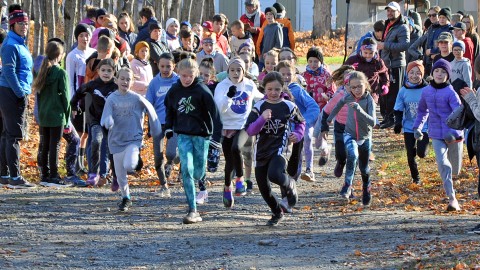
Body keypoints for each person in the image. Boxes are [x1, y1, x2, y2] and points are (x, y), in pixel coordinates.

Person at [164, 58, 222, 224]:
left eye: (190, 75)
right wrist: (169, 126)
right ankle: (192, 210)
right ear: (178, 73)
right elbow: (169, 108)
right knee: (187, 171)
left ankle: (200, 177)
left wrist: (216, 138)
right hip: (183, 134)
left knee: (198, 172)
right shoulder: (175, 90)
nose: (187, 79)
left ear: (196, 74)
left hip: (201, 135)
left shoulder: (202, 90)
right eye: (183, 75)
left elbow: (215, 115)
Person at [245, 71, 305, 226]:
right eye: (270, 89)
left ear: (282, 89)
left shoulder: (288, 106)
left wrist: (297, 134)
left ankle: (290, 184)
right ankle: (277, 212)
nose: (273, 93)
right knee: (264, 189)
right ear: (264, 88)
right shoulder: (259, 107)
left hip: (280, 150)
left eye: (277, 89)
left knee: (274, 174)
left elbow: (301, 122)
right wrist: (262, 118)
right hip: (260, 152)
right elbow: (250, 130)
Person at [101, 67, 161, 211]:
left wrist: (155, 128)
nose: (125, 81)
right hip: (116, 140)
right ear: (116, 80)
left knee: (129, 165)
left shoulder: (136, 98)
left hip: (133, 138)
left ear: (132, 82)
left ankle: (137, 160)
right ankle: (126, 198)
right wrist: (107, 120)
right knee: (120, 174)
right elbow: (105, 115)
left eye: (128, 79)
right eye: (122, 78)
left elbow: (151, 110)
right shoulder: (111, 98)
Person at [413, 59, 463, 211]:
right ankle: (452, 198)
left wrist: (453, 133)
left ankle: (453, 182)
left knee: (455, 170)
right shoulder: (426, 91)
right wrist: (418, 127)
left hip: (453, 136)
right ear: (432, 73)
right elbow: (422, 111)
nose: (439, 74)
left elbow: (459, 113)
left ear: (448, 75)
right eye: (437, 71)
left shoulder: (451, 93)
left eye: (443, 72)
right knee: (443, 164)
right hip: (436, 134)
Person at [213, 57, 263, 207]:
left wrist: (275, 97)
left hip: (243, 125)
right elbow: (219, 109)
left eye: (239, 70)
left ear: (244, 71)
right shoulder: (222, 86)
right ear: (228, 71)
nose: (235, 73)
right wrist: (229, 96)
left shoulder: (249, 85)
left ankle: (240, 179)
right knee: (229, 161)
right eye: (232, 70)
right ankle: (228, 187)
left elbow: (260, 98)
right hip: (226, 126)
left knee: (236, 148)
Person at [326, 71, 376, 206]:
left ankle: (366, 188)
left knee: (364, 168)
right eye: (353, 87)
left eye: (359, 86)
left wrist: (359, 110)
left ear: (365, 85)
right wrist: (329, 119)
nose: (357, 90)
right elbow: (337, 106)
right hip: (349, 134)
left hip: (365, 137)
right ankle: (347, 185)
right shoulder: (348, 97)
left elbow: (373, 122)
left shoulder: (369, 100)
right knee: (352, 155)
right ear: (349, 87)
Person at [0, 8, 36, 188]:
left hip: (15, 91)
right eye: (20, 23)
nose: (24, 27)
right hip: (11, 92)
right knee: (13, 135)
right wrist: (20, 92)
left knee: (7, 134)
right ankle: (15, 177)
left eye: (26, 23)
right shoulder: (10, 45)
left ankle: (5, 175)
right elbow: (8, 72)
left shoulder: (20, 43)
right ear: (13, 25)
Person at [70, 59, 118, 186]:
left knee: (108, 147)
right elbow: (79, 92)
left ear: (114, 72)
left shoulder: (116, 86)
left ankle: (105, 174)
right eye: (103, 70)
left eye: (109, 71)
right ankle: (93, 173)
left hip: (111, 121)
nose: (106, 73)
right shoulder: (93, 84)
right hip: (96, 120)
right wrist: (74, 106)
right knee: (96, 141)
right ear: (98, 71)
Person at [33, 40, 72, 187]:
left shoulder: (41, 70)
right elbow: (66, 98)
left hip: (44, 114)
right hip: (57, 115)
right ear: (60, 56)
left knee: (45, 144)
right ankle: (54, 175)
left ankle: (45, 174)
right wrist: (67, 118)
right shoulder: (61, 73)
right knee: (54, 145)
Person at [277, 61, 319, 184]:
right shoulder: (274, 90)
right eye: (282, 74)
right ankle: (290, 175)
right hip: (285, 126)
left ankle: (309, 169)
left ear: (294, 75)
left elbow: (313, 106)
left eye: (289, 74)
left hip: (302, 125)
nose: (285, 77)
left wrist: (305, 120)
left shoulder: (297, 90)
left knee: (306, 138)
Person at [146, 52, 180, 198]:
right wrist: (149, 124)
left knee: (171, 153)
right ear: (158, 66)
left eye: (168, 66)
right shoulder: (154, 83)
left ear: (174, 66)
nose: (165, 69)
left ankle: (173, 161)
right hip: (158, 122)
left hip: (174, 122)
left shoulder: (178, 81)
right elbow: (149, 104)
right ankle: (163, 185)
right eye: (162, 66)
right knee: (158, 156)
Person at [66, 23, 96, 175]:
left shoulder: (94, 52)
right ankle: (74, 163)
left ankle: (81, 162)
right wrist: (73, 102)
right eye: (81, 35)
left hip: (91, 98)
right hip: (78, 98)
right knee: (78, 132)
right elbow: (70, 80)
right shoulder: (72, 55)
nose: (85, 38)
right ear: (77, 38)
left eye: (87, 35)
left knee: (87, 133)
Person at [316, 65, 356, 178]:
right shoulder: (339, 95)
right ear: (345, 84)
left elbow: (369, 108)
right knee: (341, 151)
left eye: (354, 85)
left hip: (354, 127)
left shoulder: (361, 95)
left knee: (353, 153)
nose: (351, 87)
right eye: (348, 84)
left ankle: (349, 179)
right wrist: (324, 128)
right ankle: (341, 162)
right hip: (340, 126)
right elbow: (327, 111)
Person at [393, 60, 429, 184]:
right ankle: (416, 178)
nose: (414, 76)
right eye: (411, 73)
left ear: (422, 75)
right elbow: (398, 108)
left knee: (421, 153)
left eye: (418, 73)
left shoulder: (427, 89)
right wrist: (398, 123)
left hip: (424, 127)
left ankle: (422, 149)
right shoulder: (403, 90)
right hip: (408, 126)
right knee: (410, 155)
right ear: (407, 74)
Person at [377, 1, 410, 129]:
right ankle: (386, 117)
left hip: (396, 64)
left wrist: (385, 45)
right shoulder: (388, 24)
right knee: (384, 91)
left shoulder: (402, 27)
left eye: (392, 11)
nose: (390, 13)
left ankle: (393, 119)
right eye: (388, 10)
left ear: (399, 12)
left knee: (393, 93)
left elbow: (404, 45)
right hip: (386, 64)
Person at [408, 6, 451, 77]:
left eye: (434, 15)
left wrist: (432, 51)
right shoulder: (431, 28)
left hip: (440, 62)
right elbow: (412, 48)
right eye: (429, 15)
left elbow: (445, 46)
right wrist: (421, 56)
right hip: (428, 62)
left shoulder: (447, 29)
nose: (431, 17)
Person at [345, 38, 389, 104]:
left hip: (372, 92)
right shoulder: (353, 60)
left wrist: (385, 85)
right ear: (361, 50)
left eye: (371, 53)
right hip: (356, 92)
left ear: (375, 52)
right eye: (365, 53)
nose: (368, 55)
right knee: (357, 110)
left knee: (371, 110)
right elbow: (343, 72)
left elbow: (384, 73)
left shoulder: (378, 62)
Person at [302, 47, 335, 111]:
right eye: (310, 61)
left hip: (322, 108)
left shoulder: (326, 75)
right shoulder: (303, 75)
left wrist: (320, 96)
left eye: (316, 61)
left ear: (321, 62)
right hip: (307, 108)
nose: (313, 64)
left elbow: (331, 92)